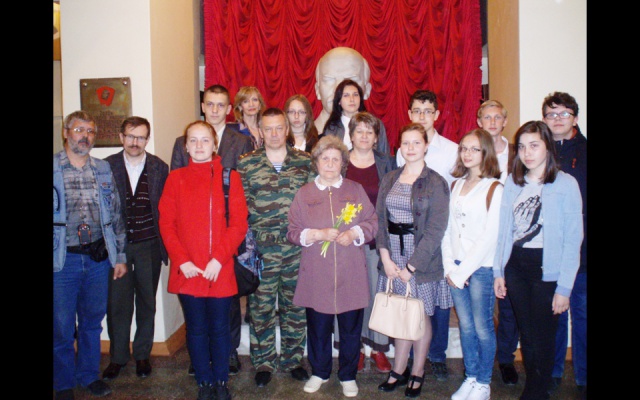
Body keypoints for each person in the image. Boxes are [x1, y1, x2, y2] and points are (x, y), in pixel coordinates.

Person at [493, 120, 583, 400]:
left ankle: (536, 392)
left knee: (543, 336)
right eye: (522, 147)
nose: (527, 153)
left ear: (548, 147)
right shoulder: (513, 182)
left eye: (534, 145)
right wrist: (499, 271)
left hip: (547, 269)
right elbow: (504, 231)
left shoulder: (566, 184)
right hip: (516, 266)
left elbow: (573, 240)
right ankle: (536, 389)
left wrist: (564, 287)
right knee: (527, 335)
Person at [159, 120, 248, 400]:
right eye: (193, 140)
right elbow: (167, 225)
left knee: (220, 330)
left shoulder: (230, 178)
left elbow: (239, 225)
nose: (199, 146)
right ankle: (204, 382)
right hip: (188, 270)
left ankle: (221, 380)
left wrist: (218, 260)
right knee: (196, 330)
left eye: (205, 140)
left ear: (214, 145)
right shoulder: (175, 179)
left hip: (219, 269)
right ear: (186, 146)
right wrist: (182, 261)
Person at [170, 84, 253, 376]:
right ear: (203, 106)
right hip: (192, 243)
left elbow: (245, 190)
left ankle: (228, 355)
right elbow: (173, 204)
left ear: (228, 109)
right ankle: (201, 362)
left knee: (226, 309)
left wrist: (224, 250)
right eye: (210, 103)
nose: (215, 109)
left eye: (221, 104)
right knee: (197, 320)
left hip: (225, 238)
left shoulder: (241, 141)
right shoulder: (181, 146)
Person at [286, 135, 378, 398]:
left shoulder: (355, 190)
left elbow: (372, 222)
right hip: (317, 273)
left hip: (351, 271)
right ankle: (320, 372)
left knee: (350, 329)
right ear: (316, 162)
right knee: (318, 328)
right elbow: (292, 231)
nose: (329, 164)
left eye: (335, 159)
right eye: (324, 158)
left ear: (342, 163)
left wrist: (355, 233)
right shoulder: (304, 193)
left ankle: (348, 375)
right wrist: (316, 234)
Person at [236, 107, 314, 387]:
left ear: (287, 129)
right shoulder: (247, 164)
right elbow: (240, 208)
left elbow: (313, 204)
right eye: (267, 128)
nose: (273, 133)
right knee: (261, 308)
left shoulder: (305, 162)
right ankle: (264, 361)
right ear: (260, 130)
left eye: (279, 127)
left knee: (295, 306)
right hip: (262, 250)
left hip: (296, 249)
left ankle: (293, 360)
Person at [54, 111, 128, 400]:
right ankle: (63, 383)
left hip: (98, 258)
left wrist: (119, 256)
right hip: (62, 261)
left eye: (90, 131)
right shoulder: (54, 168)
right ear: (66, 132)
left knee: (91, 322)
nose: (85, 136)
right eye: (79, 130)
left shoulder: (103, 169)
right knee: (61, 326)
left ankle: (88, 376)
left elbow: (116, 213)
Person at [375, 123, 450, 398]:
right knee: (400, 313)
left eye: (416, 142)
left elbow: (436, 230)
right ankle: (398, 369)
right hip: (393, 256)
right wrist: (385, 257)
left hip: (421, 259)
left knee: (419, 315)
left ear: (426, 145)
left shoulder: (436, 182)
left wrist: (411, 266)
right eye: (405, 143)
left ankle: (417, 370)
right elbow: (380, 220)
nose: (410, 148)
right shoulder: (390, 178)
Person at [396, 89, 457, 381]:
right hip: (407, 236)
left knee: (438, 300)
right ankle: (409, 356)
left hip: (439, 234)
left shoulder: (452, 150)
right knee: (412, 298)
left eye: (428, 111)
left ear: (437, 115)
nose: (422, 116)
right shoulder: (403, 149)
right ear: (410, 114)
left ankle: (438, 355)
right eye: (417, 111)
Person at [102, 117, 169, 381]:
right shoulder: (106, 166)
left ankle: (142, 355)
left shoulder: (159, 167)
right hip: (117, 248)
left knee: (146, 302)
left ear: (147, 140)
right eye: (130, 136)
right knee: (117, 305)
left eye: (140, 137)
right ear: (121, 137)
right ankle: (118, 357)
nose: (134, 142)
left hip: (149, 246)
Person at [443, 128, 503, 400]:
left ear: (485, 152)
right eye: (464, 148)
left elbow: (490, 236)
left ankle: (483, 382)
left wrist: (463, 271)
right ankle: (470, 376)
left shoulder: (494, 188)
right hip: (455, 267)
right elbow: (448, 230)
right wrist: (449, 267)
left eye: (474, 149)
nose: (467, 153)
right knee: (465, 326)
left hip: (480, 269)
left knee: (482, 327)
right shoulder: (455, 185)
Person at [542, 92, 587, 399]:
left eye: (563, 114)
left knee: (582, 316)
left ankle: (583, 375)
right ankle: (553, 372)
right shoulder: (539, 151)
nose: (557, 119)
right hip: (548, 252)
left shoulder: (584, 151)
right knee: (553, 318)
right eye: (551, 114)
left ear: (575, 118)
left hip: (582, 252)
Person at [344, 112, 396, 373]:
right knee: (352, 296)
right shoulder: (340, 161)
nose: (364, 136)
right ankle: (354, 347)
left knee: (378, 294)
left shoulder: (387, 163)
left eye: (369, 131)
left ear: (376, 137)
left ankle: (377, 348)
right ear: (351, 135)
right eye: (359, 131)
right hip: (346, 241)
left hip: (377, 240)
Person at [476, 99, 519, 385]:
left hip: (513, 236)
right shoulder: (473, 151)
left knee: (509, 302)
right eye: (487, 117)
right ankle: (479, 360)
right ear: (479, 122)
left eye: (497, 117)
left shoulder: (518, 153)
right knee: (482, 303)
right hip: (481, 235)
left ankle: (505, 358)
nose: (492, 122)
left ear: (504, 121)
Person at [320, 78, 391, 156]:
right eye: (346, 95)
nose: (352, 99)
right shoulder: (332, 127)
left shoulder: (376, 124)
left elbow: (384, 155)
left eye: (355, 95)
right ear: (339, 101)